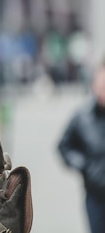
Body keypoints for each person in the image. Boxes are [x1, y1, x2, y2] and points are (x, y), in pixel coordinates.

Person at [58, 57, 105, 233]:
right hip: (95, 196)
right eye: (101, 85)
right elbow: (64, 146)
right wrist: (84, 165)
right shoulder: (82, 117)